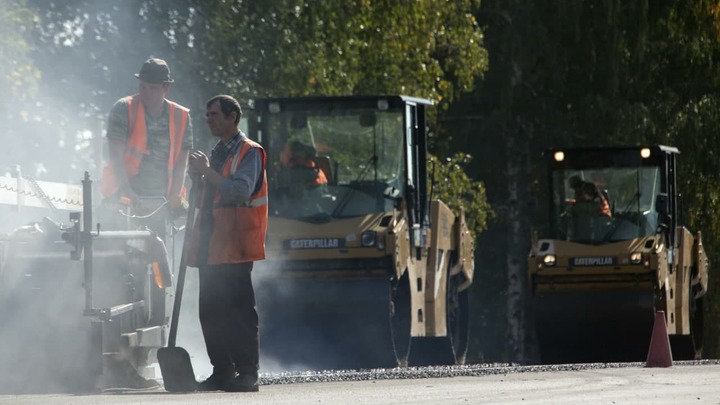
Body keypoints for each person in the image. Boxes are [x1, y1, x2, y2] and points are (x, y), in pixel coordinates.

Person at [187, 94, 268, 393]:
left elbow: (239, 191)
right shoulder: (218, 152)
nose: (209, 119)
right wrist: (196, 179)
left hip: (236, 243)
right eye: (207, 114)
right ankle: (222, 370)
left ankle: (247, 373)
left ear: (233, 117)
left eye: (215, 114)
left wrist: (207, 172)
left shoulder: (250, 152)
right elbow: (207, 194)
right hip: (212, 243)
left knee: (239, 311)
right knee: (210, 309)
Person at [100, 58, 193, 224]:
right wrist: (127, 191)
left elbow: (181, 162)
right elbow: (115, 157)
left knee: (157, 246)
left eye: (153, 88)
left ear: (166, 87)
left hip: (160, 202)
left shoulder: (181, 116)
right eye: (142, 86)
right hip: (122, 197)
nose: (146, 92)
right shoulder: (123, 109)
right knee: (119, 246)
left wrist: (174, 198)